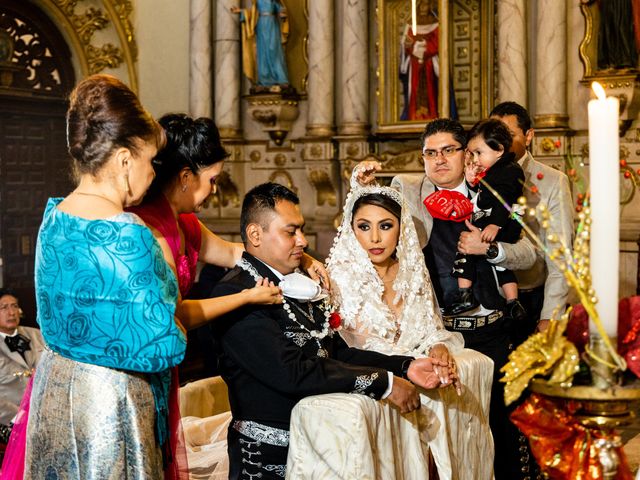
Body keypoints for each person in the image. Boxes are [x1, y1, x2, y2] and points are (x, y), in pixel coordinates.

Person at [0, 74, 188, 479]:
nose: (153, 173)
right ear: (124, 160)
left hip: (53, 390)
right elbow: (163, 345)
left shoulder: (53, 216)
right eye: (148, 161)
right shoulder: (130, 233)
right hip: (110, 402)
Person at [209, 182, 456, 480]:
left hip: (327, 447)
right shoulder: (236, 293)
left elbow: (337, 351)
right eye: (291, 232)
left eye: (301, 229)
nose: (302, 240)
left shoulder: (297, 284)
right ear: (255, 235)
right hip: (270, 459)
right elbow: (292, 372)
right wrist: (385, 383)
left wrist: (406, 366)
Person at [355, 118, 537, 480]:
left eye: (448, 151)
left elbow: (531, 253)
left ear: (466, 154)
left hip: (495, 329)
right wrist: (361, 186)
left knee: (505, 426)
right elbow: (364, 224)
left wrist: (492, 249)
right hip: (440, 335)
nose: (438, 160)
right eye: (430, 153)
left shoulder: (496, 185)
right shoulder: (406, 190)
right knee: (451, 433)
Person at [327, 180, 495, 479]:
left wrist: (438, 348)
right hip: (372, 386)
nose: (375, 237)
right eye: (364, 226)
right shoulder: (339, 278)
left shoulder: (412, 271)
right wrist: (413, 363)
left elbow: (430, 327)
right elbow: (349, 347)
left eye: (386, 225)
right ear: (351, 230)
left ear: (401, 229)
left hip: (418, 381)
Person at [488, 101, 574, 343]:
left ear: (529, 136)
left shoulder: (551, 181)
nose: (501, 143)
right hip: (488, 300)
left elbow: (561, 253)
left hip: (531, 298)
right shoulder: (480, 177)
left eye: (510, 135)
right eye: (495, 135)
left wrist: (550, 315)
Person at [448, 119, 526, 322]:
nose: (474, 158)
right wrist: (475, 182)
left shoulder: (508, 170)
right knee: (502, 266)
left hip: (504, 222)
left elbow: (504, 200)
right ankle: (512, 301)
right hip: (501, 223)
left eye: (478, 153)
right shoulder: (496, 170)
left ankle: (465, 296)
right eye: (471, 154)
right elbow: (485, 197)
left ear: (499, 149)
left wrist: (495, 224)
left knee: (465, 247)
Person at [0, 289, 45, 440]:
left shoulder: (37, 334)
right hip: (9, 420)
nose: (11, 312)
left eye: (14, 306)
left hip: (44, 412)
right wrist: (16, 417)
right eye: (4, 307)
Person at [232, 0, 290, 88]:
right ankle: (264, 80)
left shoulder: (274, 1)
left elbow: (281, 10)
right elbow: (252, 13)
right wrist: (241, 11)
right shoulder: (257, 1)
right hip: (261, 26)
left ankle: (281, 79)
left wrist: (283, 15)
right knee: (262, 52)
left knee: (274, 50)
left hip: (272, 25)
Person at [400, 0, 439, 120]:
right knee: (415, 89)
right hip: (415, 64)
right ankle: (414, 116)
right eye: (421, 4)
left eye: (426, 4)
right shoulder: (411, 23)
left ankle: (431, 115)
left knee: (430, 90)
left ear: (430, 6)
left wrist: (425, 47)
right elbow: (406, 43)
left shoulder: (436, 23)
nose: (423, 7)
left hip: (429, 63)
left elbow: (438, 43)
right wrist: (411, 47)